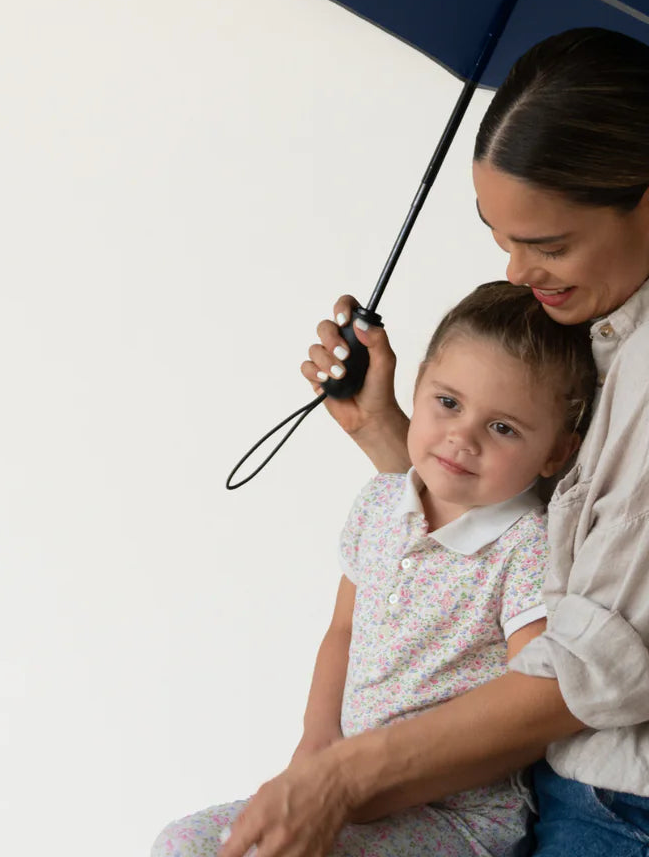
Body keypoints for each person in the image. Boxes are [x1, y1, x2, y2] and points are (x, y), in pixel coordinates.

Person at [218, 27, 649, 857]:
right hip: (610, 811)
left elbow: (591, 673)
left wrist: (336, 777)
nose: (518, 273)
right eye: (501, 238)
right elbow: (556, 557)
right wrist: (389, 435)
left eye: (548, 244)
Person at [151, 281, 597, 857]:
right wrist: (317, 742)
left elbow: (526, 709)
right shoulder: (381, 504)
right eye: (448, 403)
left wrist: (359, 785)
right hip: (349, 791)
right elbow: (343, 630)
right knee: (183, 843)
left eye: (503, 427)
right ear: (417, 387)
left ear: (557, 453)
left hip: (456, 818)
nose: (462, 438)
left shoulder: (527, 547)